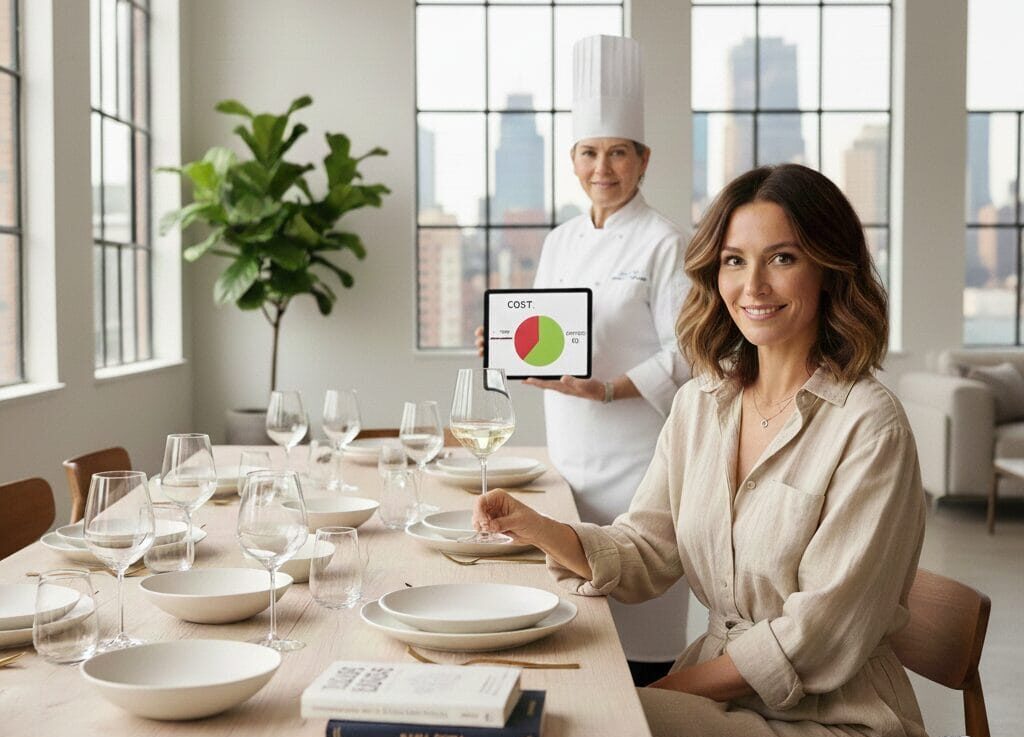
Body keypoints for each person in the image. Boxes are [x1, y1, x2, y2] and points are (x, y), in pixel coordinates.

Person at [474, 163, 928, 737]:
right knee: (548, 709)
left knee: (580, 720)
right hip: (725, 698)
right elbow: (645, 549)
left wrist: (654, 694)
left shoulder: (870, 426)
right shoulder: (701, 403)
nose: (753, 286)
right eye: (735, 260)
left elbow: (818, 635)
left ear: (830, 271)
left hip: (834, 719)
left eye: (782, 258)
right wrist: (536, 527)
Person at [477, 35, 691, 685]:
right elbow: (546, 336)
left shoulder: (666, 242)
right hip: (567, 462)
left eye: (618, 152)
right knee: (573, 634)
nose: (604, 167)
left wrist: (609, 389)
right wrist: (506, 346)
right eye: (590, 152)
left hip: (639, 470)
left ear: (643, 159)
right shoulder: (560, 240)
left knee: (640, 645)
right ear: (572, 160)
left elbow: (690, 356)